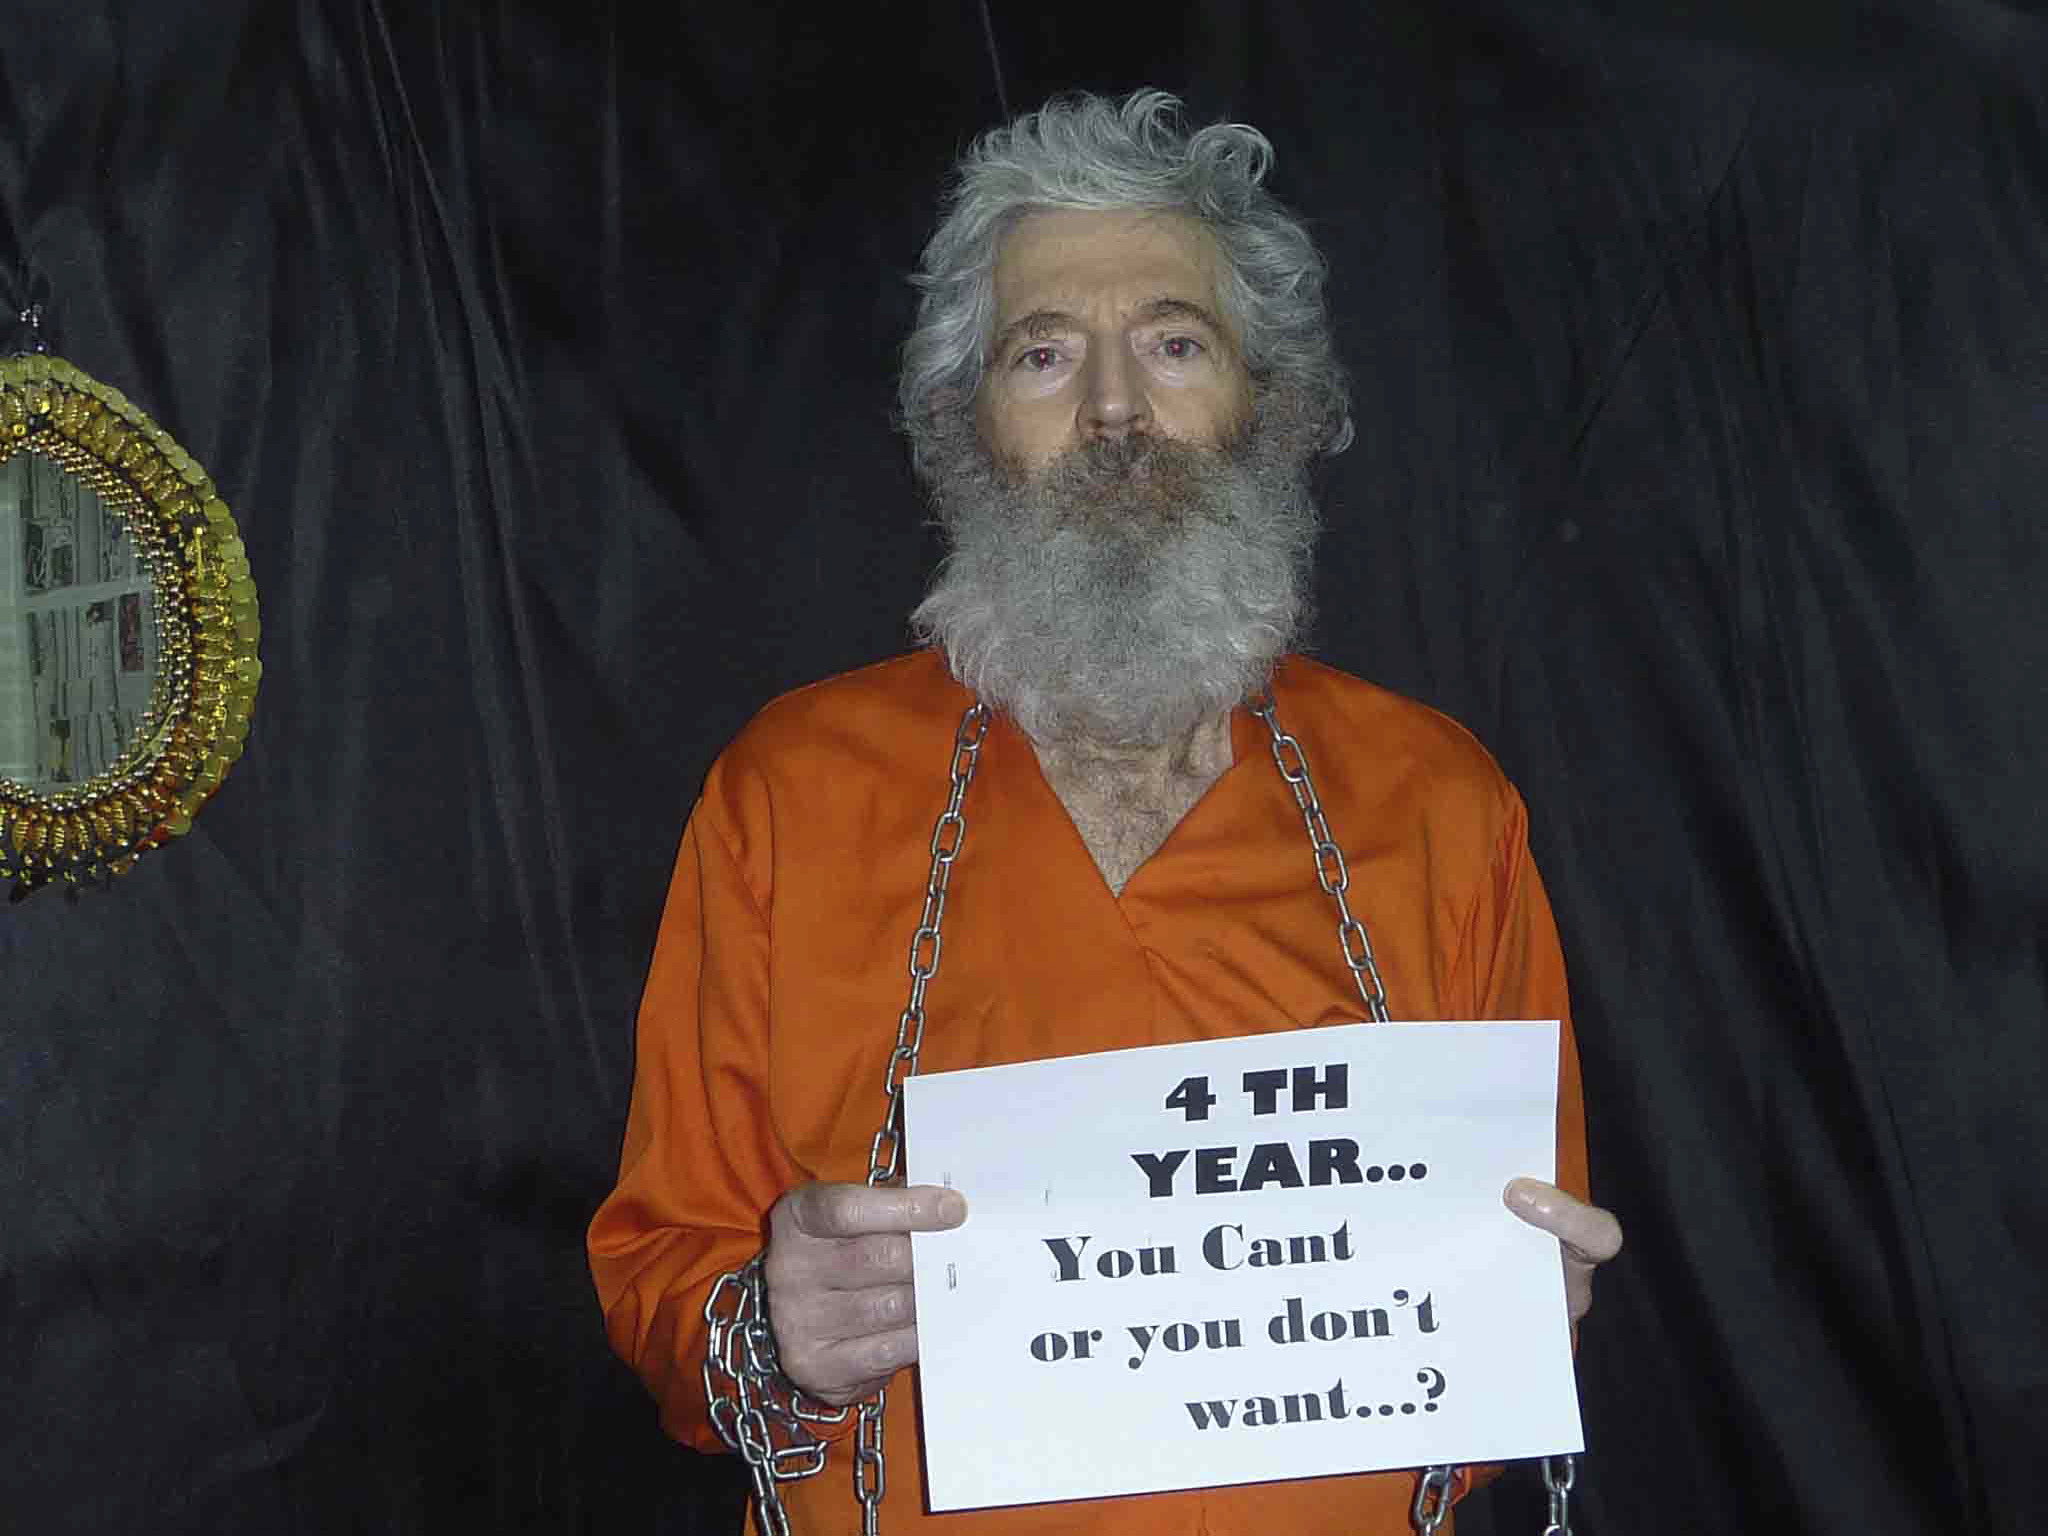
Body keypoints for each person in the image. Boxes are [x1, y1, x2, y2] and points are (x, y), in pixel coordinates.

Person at [588, 89, 1622, 1535]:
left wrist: (1521, 1308)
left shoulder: (1439, 803)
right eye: (1045, 353)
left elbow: (1508, 1304)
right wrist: (768, 1330)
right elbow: (663, 1279)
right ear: (965, 427)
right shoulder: (793, 792)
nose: (1115, 410)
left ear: (1269, 402)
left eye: (1175, 343)